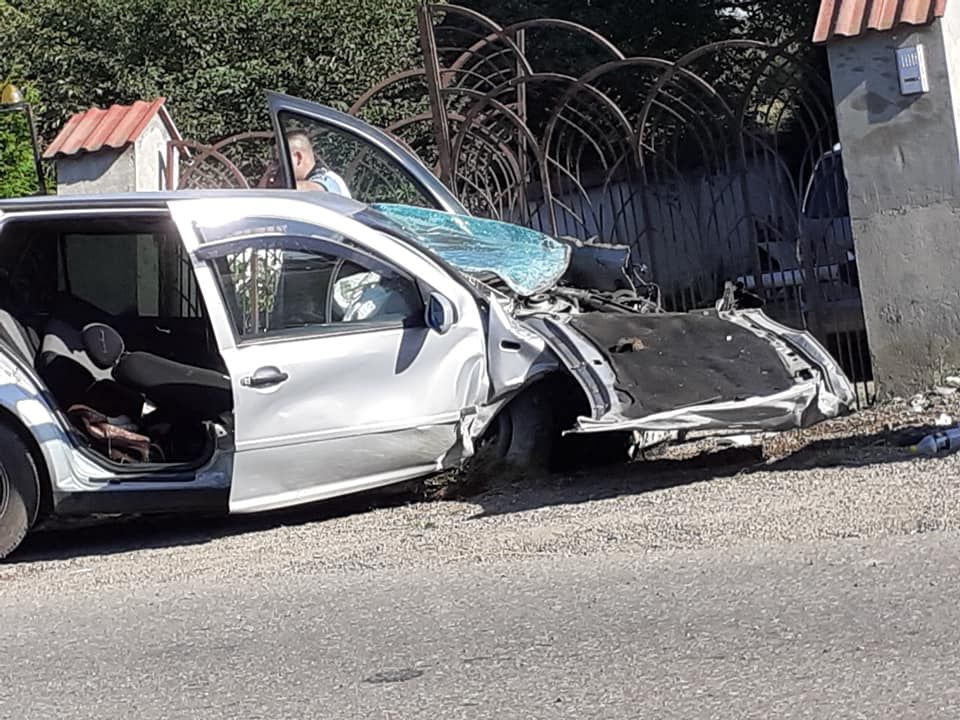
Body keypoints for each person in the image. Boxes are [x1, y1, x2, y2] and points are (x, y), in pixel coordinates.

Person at [285, 129, 352, 198]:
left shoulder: (328, 179)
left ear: (298, 158)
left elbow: (318, 190)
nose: (273, 167)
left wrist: (280, 185)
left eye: (277, 161)